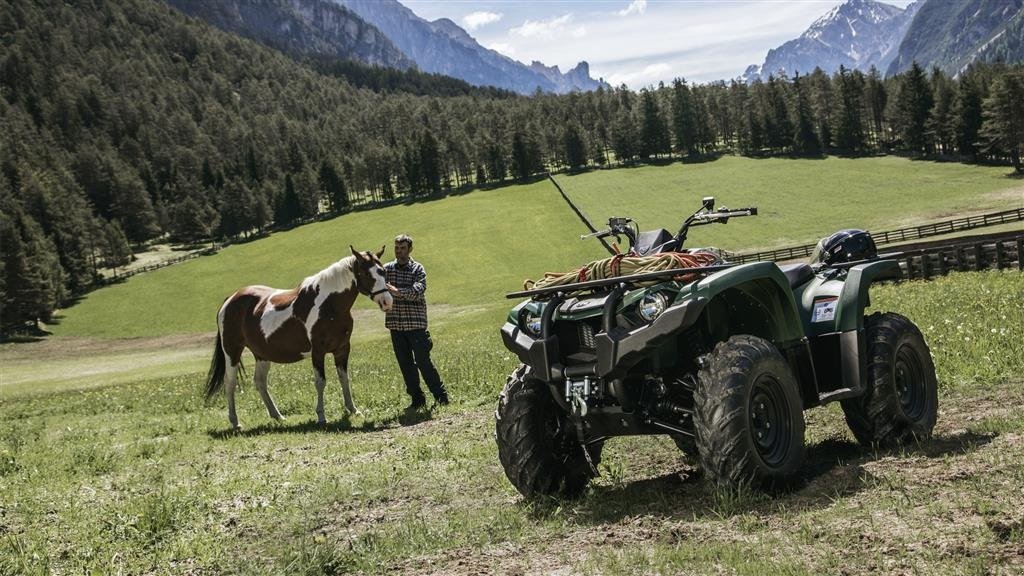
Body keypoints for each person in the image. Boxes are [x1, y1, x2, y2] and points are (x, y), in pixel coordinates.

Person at [384, 234, 449, 410]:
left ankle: (441, 397)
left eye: (403, 248)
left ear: (410, 249)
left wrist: (397, 292)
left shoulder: (417, 269)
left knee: (423, 362)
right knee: (405, 365)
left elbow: (418, 291)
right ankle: (417, 400)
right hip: (395, 326)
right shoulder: (387, 269)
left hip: (416, 326)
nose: (399, 251)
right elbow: (377, 287)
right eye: (397, 248)